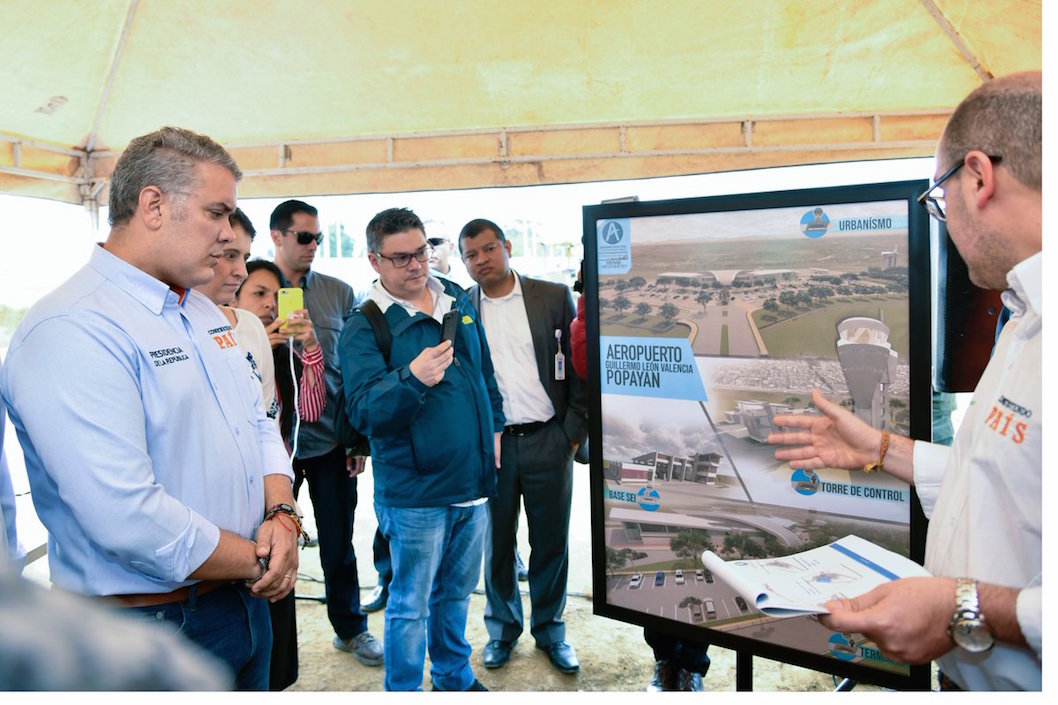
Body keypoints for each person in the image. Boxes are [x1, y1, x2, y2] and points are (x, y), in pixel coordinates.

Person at [767, 72, 1041, 691]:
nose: (943, 222)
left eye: (939, 201)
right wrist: (883, 450)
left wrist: (958, 608)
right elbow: (1005, 477)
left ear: (978, 177)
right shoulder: (1026, 315)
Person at [0, 126, 300, 691]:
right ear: (154, 205)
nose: (229, 233)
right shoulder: (74, 326)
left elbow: (258, 425)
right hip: (148, 623)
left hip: (239, 604)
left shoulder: (205, 312)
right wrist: (264, 558)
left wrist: (283, 514)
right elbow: (126, 516)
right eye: (217, 212)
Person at [339, 207, 504, 691]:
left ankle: (454, 676)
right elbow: (364, 411)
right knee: (409, 604)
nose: (416, 265)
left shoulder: (454, 295)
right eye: (401, 258)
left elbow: (483, 372)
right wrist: (411, 378)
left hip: (472, 482)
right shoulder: (365, 325)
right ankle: (405, 688)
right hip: (414, 494)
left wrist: (493, 430)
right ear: (374, 261)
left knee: (455, 595)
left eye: (423, 251)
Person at [567, 263, 708, 691]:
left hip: (685, 441)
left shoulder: (666, 302)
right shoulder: (588, 313)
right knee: (651, 557)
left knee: (697, 555)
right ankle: (666, 661)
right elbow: (585, 363)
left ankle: (692, 665)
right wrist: (591, 302)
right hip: (632, 450)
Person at [459, 218, 588, 675]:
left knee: (550, 543)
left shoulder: (552, 296)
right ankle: (502, 631)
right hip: (492, 448)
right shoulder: (461, 308)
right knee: (496, 544)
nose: (481, 260)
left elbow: (579, 364)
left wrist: (571, 432)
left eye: (489, 249)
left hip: (549, 439)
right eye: (471, 255)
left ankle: (551, 630)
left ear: (507, 247)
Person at [195, 209, 309, 692]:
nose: (238, 270)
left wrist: (282, 512)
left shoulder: (243, 330)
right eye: (226, 256)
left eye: (242, 255)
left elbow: (268, 424)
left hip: (259, 525)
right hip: (197, 569)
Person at [268, 199, 382, 666]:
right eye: (303, 237)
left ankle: (351, 628)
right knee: (269, 545)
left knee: (339, 543)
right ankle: (272, 643)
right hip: (272, 448)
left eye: (318, 236)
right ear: (277, 237)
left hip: (333, 441)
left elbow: (355, 372)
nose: (314, 245)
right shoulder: (251, 291)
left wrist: (358, 440)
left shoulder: (338, 292)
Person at [234, 259, 326, 457]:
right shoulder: (222, 351)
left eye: (278, 296)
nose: (270, 304)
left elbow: (311, 413)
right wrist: (257, 354)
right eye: (259, 293)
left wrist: (311, 347)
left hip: (278, 468)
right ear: (234, 300)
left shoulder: (287, 356)